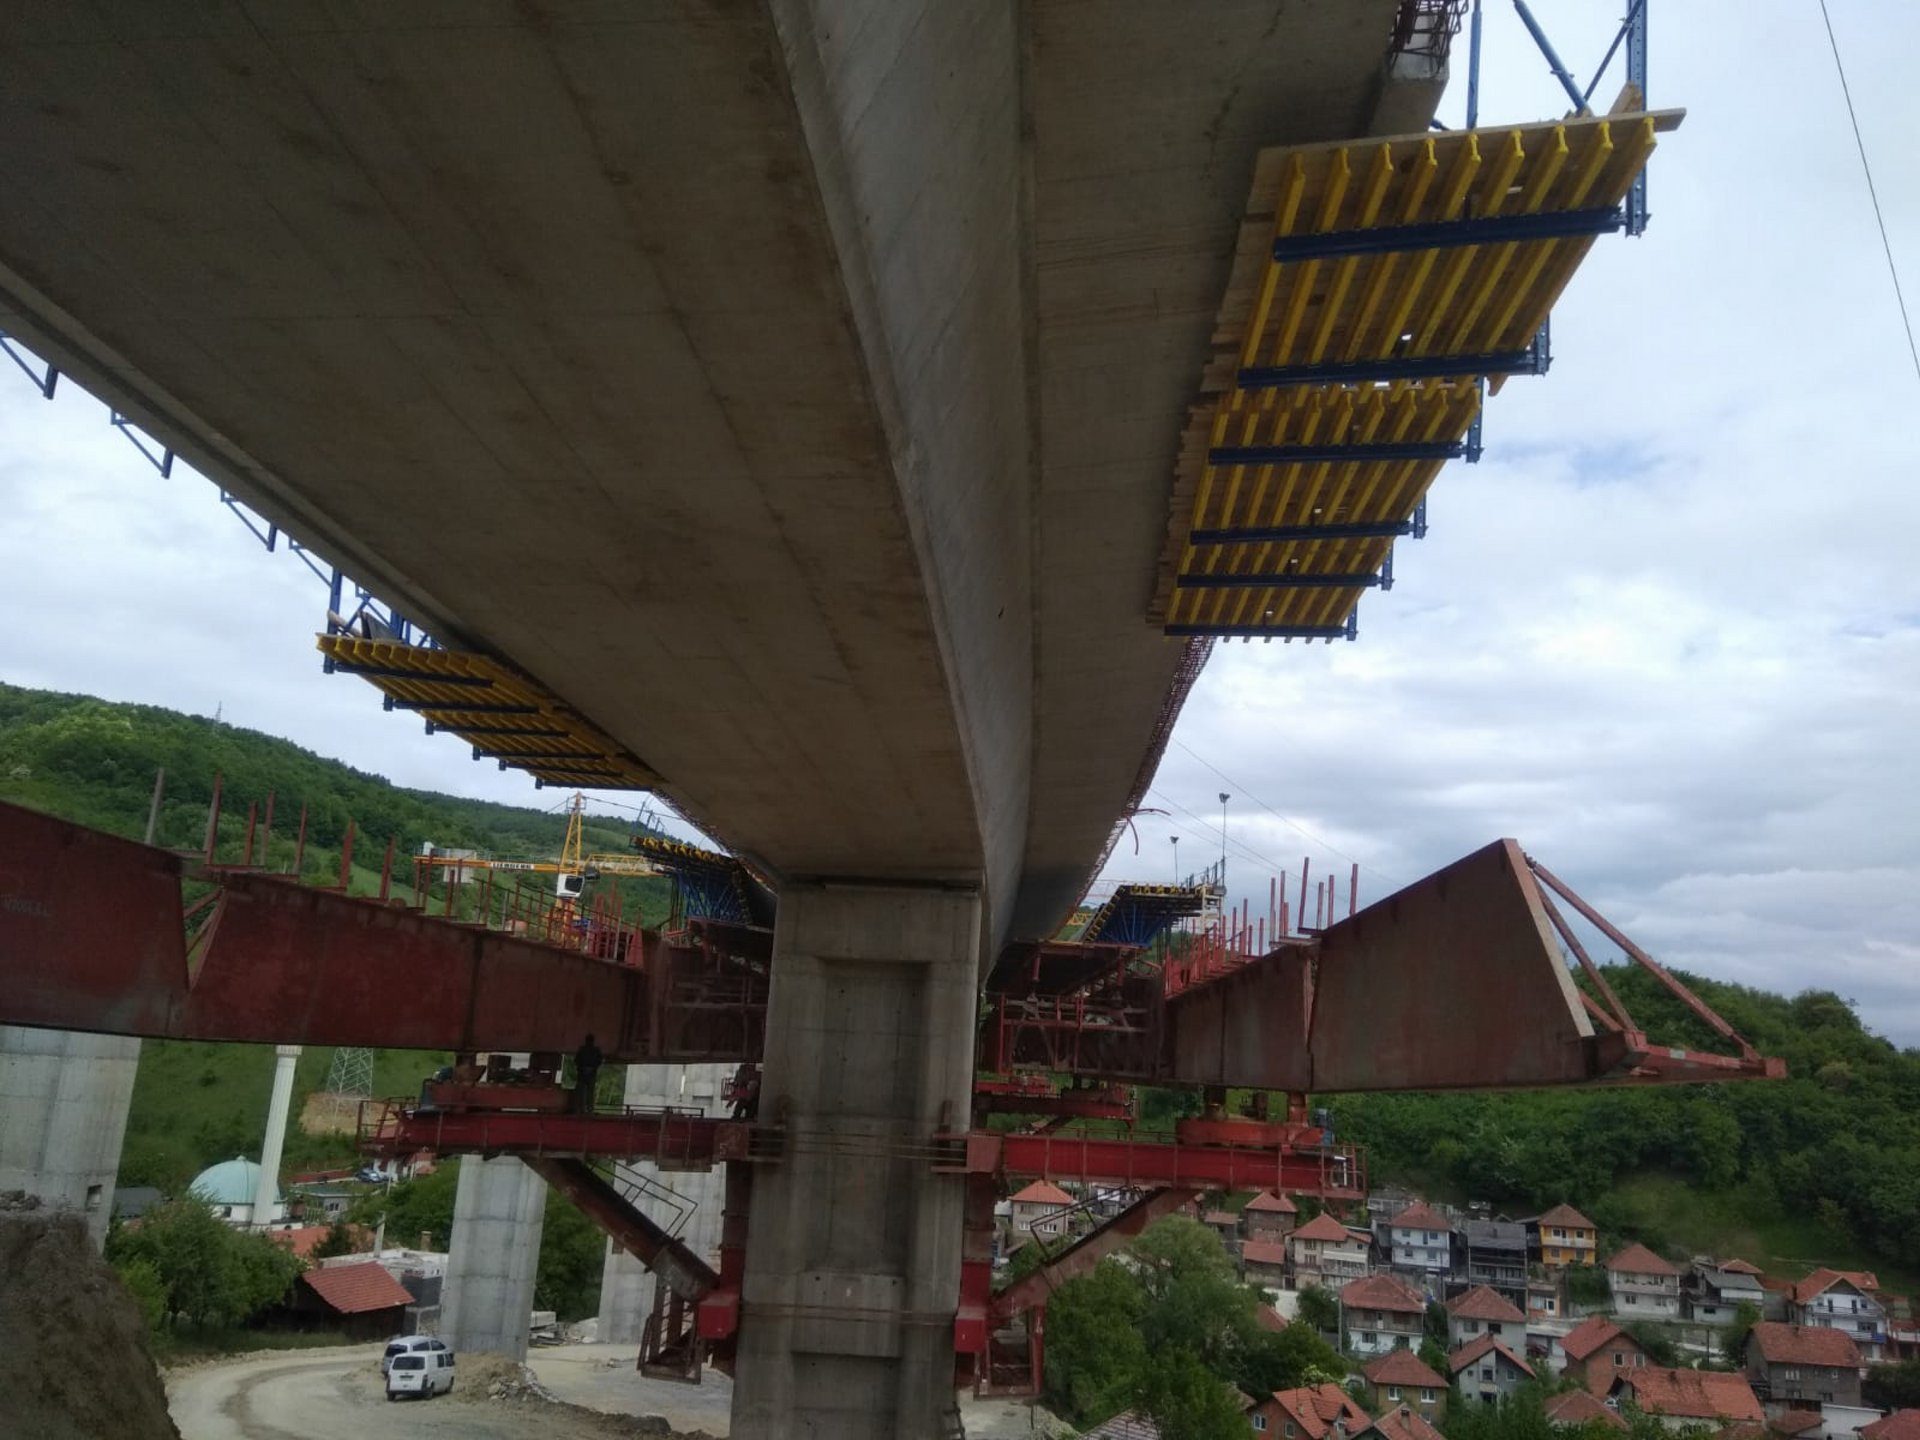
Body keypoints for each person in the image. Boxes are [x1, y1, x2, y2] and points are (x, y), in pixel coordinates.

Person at [573, 1034, 603, 1114]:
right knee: (589, 1092)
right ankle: (589, 1109)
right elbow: (599, 1061)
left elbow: (576, 1061)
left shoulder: (582, 1050)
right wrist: (592, 1068)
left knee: (581, 1092)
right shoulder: (596, 1050)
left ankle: (580, 1109)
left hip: (582, 1073)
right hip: (591, 1073)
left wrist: (583, 1068)